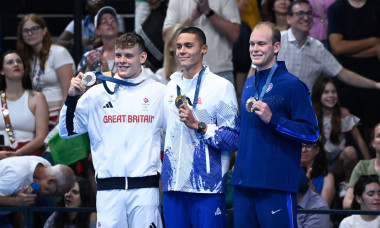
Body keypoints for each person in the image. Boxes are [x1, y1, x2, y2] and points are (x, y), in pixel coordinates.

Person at [59, 32, 165, 227]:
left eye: (129, 56)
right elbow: (67, 130)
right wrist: (71, 97)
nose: (122, 61)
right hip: (109, 192)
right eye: (119, 55)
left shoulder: (159, 92)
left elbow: (175, 135)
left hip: (145, 191)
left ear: (142, 58)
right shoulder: (97, 94)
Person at [232, 21, 319, 227]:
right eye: (252, 44)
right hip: (244, 183)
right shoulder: (249, 83)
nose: (254, 49)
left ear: (276, 47)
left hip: (274, 184)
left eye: (261, 44)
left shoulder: (293, 85)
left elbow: (311, 133)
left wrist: (274, 120)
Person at [162, 26, 239, 228]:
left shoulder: (221, 87)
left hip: (207, 188)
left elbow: (234, 139)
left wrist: (199, 126)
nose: (182, 51)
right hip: (173, 186)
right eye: (178, 46)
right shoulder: (170, 87)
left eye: (188, 45)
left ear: (204, 49)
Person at [248, 0, 380, 93]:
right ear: (289, 19)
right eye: (300, 13)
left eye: (309, 13)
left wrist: (375, 84)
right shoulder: (275, 41)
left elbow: (343, 74)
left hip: (301, 115)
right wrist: (249, 101)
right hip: (269, 110)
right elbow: (253, 71)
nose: (305, 17)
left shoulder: (318, 48)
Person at [328, 0, 380, 144]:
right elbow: (337, 47)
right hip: (345, 77)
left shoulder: (377, 7)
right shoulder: (337, 8)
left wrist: (349, 51)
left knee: (374, 131)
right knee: (349, 131)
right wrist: (372, 40)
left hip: (375, 76)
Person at [311, 75, 370, 198]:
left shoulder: (343, 113)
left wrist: (369, 165)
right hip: (320, 160)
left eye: (333, 91)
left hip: (338, 161)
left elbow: (359, 141)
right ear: (318, 95)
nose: (331, 95)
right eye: (326, 92)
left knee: (350, 151)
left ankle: (347, 184)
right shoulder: (312, 114)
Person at [17, 14, 75, 129]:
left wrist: (60, 123)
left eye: (34, 29)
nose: (30, 33)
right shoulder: (31, 58)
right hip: (41, 117)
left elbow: (69, 92)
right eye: (26, 30)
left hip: (59, 116)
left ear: (44, 30)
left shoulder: (58, 52)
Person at [163, 0, 241, 85]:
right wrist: (191, 18)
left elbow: (234, 34)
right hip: (184, 74)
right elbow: (167, 37)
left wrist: (208, 12)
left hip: (220, 72)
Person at [0, 156, 75, 227]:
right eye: (57, 193)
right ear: (51, 180)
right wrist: (15, 201)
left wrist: (18, 203)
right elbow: (17, 201)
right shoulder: (15, 178)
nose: (54, 197)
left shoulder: (45, 166)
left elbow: (19, 205)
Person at [0, 50, 48, 159]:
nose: (15, 64)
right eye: (10, 62)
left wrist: (18, 154)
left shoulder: (37, 98)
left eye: (19, 62)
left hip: (28, 155)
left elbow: (41, 138)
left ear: (23, 69)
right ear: (2, 71)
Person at [57, 0, 125, 52]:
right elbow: (59, 41)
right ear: (86, 6)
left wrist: (90, 40)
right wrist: (75, 42)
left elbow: (119, 38)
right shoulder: (81, 22)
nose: (96, 2)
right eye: (92, 0)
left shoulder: (115, 18)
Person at [343, 123, 380, 209]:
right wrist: (369, 205)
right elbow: (347, 203)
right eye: (379, 136)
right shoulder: (362, 167)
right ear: (372, 143)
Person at [77, 6, 119, 75]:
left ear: (118, 25)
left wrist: (106, 70)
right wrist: (89, 68)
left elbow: (126, 84)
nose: (109, 23)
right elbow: (79, 85)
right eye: (104, 21)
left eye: (112, 20)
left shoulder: (128, 54)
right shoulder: (88, 56)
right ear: (97, 31)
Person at [301, 136, 335, 206]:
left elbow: (324, 207)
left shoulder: (327, 178)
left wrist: (309, 186)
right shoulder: (289, 172)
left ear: (317, 150)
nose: (304, 150)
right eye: (301, 146)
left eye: (308, 146)